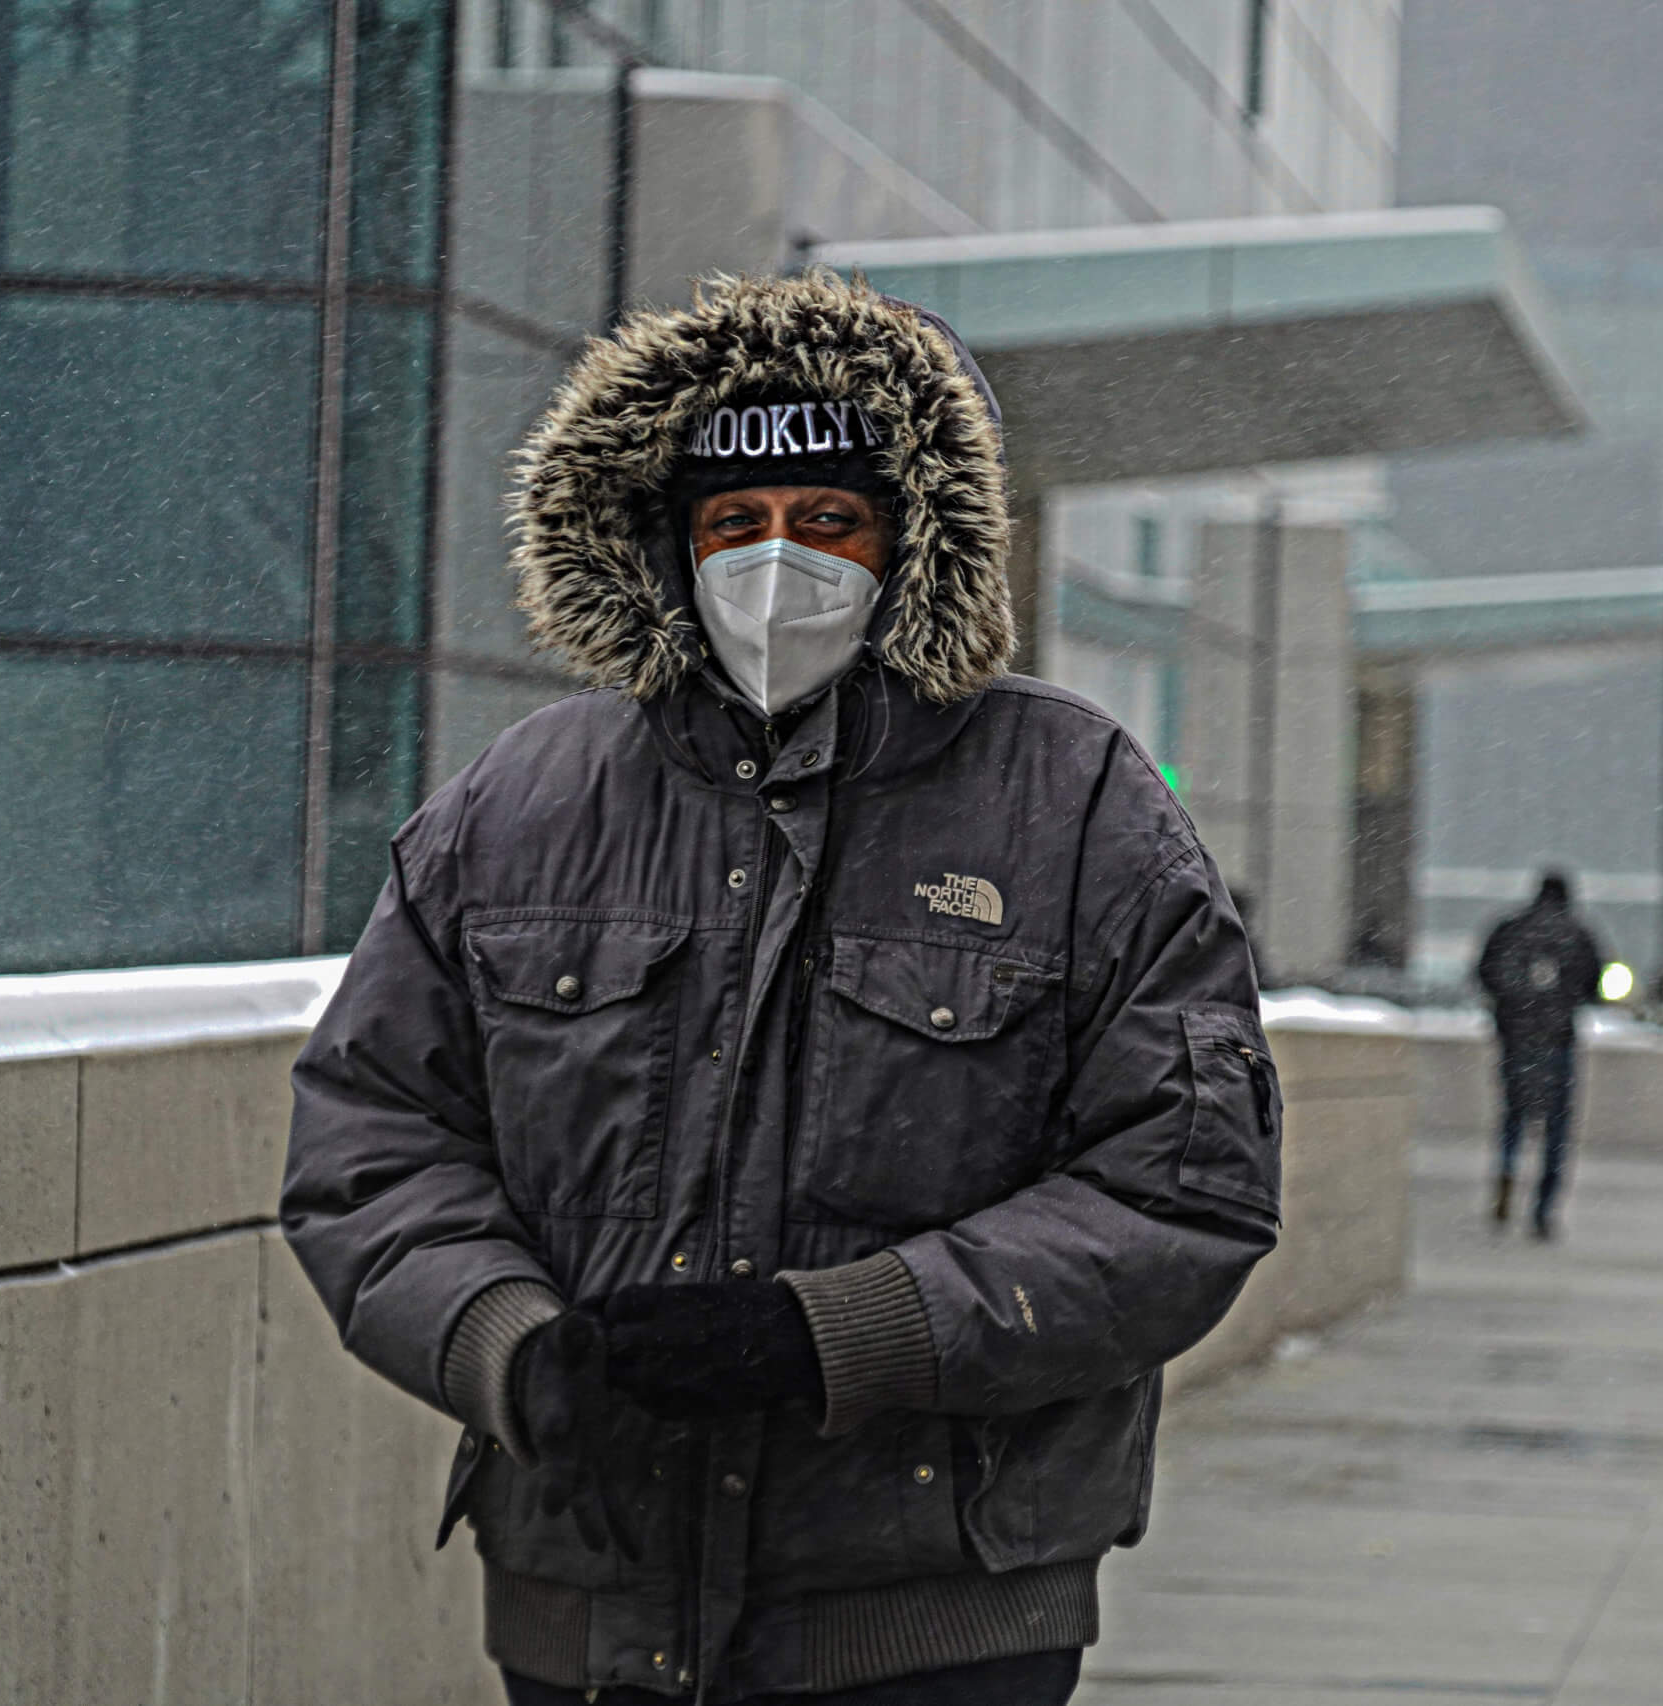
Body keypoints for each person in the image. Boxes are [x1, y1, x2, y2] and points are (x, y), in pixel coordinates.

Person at [279, 271, 1282, 1706]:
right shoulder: (521, 802)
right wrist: (514, 1345)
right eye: (730, 525)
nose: (775, 565)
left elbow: (1181, 1190)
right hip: (591, 1605)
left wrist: (840, 1333)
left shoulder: (1077, 803)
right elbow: (370, 1142)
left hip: (933, 1619)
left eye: (829, 522)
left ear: (916, 541)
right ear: (662, 546)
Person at [1475, 871, 1605, 1238]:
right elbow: (1595, 985)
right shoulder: (1577, 934)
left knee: (1514, 1117)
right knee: (1556, 1130)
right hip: (1558, 1040)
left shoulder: (1510, 929)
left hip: (1516, 1040)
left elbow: (1485, 974)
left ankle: (1507, 1169)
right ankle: (1543, 1209)